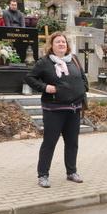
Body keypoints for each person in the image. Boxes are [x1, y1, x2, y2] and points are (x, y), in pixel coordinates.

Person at [25, 32, 88, 188]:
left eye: (63, 42)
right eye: (58, 42)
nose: (61, 44)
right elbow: (30, 78)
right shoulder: (44, 62)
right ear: (51, 45)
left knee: (72, 143)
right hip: (54, 110)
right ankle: (43, 175)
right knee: (49, 143)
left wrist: (83, 88)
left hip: (74, 109)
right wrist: (45, 87)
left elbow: (82, 77)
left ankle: (71, 172)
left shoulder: (74, 59)